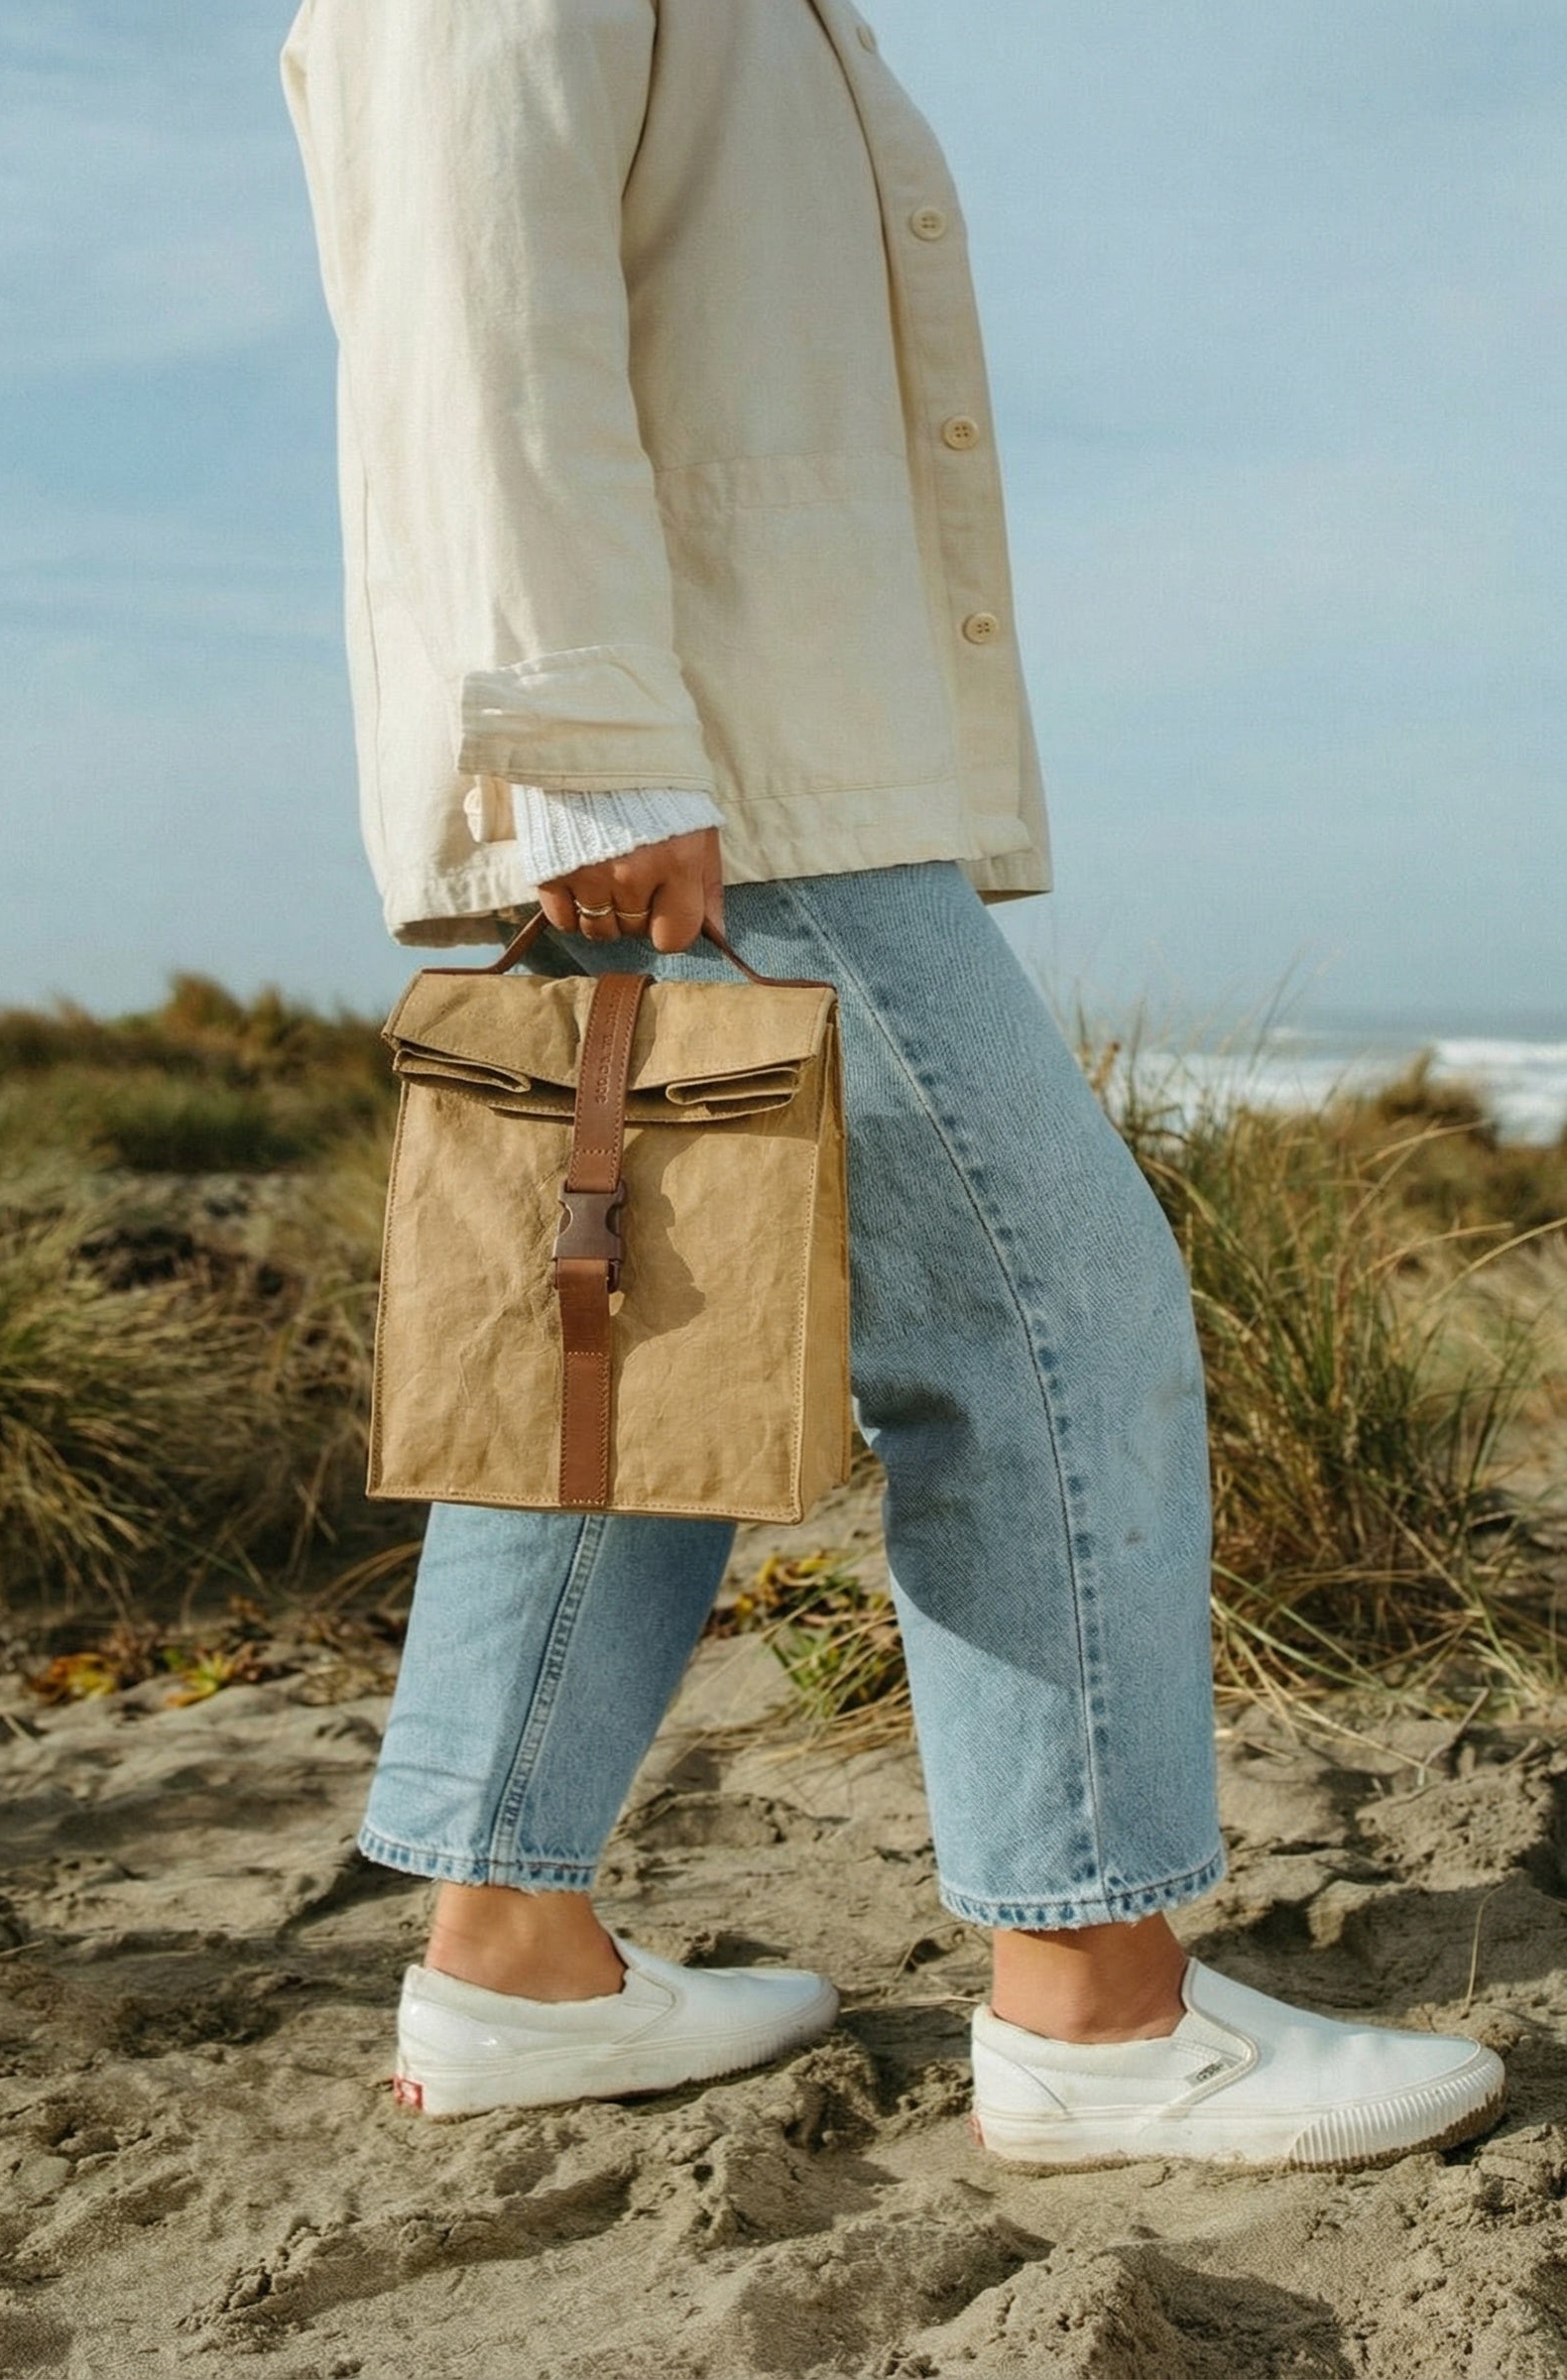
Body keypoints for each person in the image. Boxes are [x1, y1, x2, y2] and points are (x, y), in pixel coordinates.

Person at [281, 0, 1506, 2166]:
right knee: (1052, 1328)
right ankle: (1094, 2017)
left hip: (722, 756)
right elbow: (473, 298)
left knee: (628, 1358)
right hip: (714, 773)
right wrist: (588, 745)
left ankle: (510, 1962)